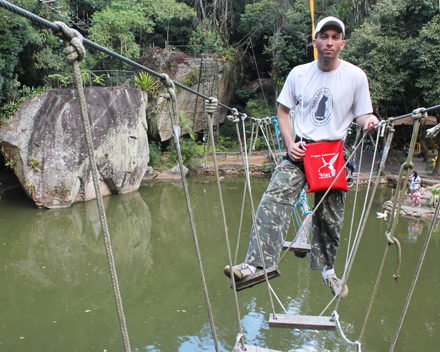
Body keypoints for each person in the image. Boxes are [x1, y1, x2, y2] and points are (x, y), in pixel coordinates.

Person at [224, 16, 379, 299]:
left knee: (330, 218)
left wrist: (369, 121)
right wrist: (289, 141)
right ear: (315, 41)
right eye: (324, 36)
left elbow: (362, 114)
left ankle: (328, 271)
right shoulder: (299, 74)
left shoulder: (356, 76)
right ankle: (255, 264)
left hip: (333, 154)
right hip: (302, 150)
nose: (329, 41)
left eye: (335, 37)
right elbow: (283, 110)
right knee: (274, 198)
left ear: (342, 43)